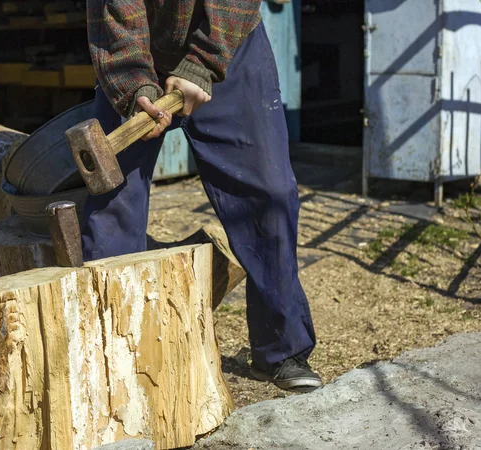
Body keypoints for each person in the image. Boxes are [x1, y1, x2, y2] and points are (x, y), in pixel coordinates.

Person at [84, 0, 322, 391]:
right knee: (111, 205)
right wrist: (132, 84)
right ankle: (112, 357)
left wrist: (204, 62)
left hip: (229, 40)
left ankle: (282, 349)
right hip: (138, 46)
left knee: (269, 194)